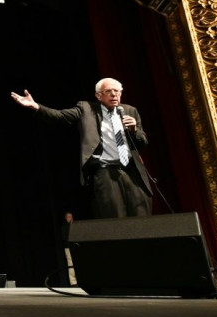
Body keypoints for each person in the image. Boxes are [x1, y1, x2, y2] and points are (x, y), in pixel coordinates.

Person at [11, 78, 152, 218]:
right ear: (98, 95)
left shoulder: (129, 111)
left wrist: (134, 130)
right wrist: (35, 106)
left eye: (117, 91)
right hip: (106, 172)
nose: (114, 95)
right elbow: (60, 116)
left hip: (132, 171)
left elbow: (142, 142)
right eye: (108, 91)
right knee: (116, 217)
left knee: (142, 215)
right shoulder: (86, 108)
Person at [61, 211, 77, 286]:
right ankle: (73, 282)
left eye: (71, 217)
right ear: (65, 218)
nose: (70, 218)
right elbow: (64, 237)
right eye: (68, 217)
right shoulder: (65, 227)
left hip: (75, 247)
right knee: (71, 264)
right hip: (68, 247)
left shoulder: (75, 226)